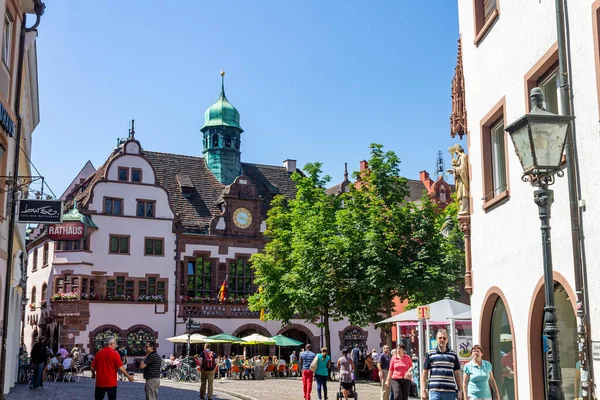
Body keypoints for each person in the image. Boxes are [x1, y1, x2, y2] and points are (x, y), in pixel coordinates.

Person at [421, 329, 462, 400]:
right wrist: (423, 390)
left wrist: (460, 391)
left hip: (450, 390)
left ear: (447, 340)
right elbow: (424, 374)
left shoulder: (453, 354)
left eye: (444, 338)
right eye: (440, 338)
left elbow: (457, 374)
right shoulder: (430, 354)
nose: (442, 340)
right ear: (436, 339)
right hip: (435, 390)